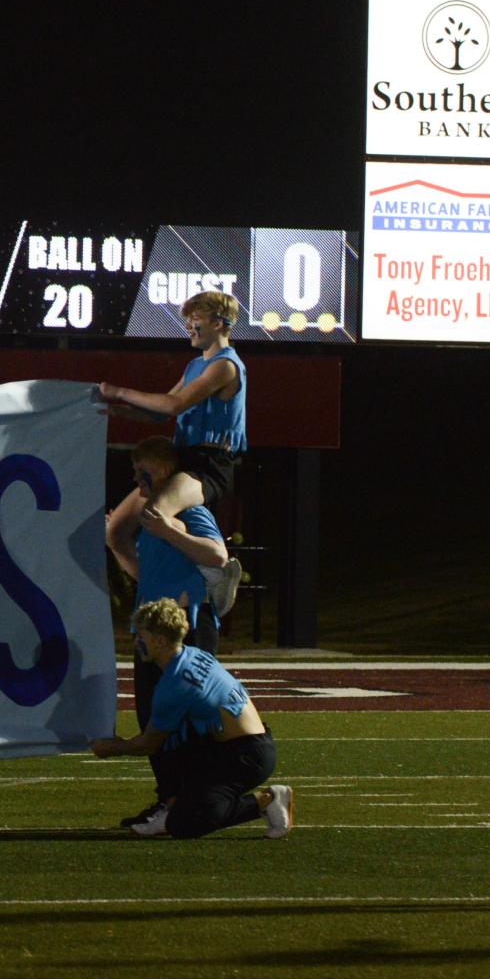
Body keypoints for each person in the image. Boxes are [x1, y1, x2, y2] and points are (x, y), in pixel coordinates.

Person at [90, 599, 292, 841]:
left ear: (160, 641)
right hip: (241, 744)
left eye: (141, 636)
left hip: (246, 757)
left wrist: (112, 747)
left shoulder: (173, 685)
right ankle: (173, 803)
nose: (136, 643)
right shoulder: (192, 654)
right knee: (173, 737)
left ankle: (265, 802)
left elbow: (146, 745)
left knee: (185, 824)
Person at [98, 290, 247, 615]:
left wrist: (120, 391)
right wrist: (122, 411)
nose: (188, 327)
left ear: (221, 323)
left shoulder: (225, 367)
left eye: (196, 320)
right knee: (115, 533)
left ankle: (215, 570)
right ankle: (165, 589)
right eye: (188, 320)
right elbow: (162, 413)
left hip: (209, 465)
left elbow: (176, 404)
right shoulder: (196, 364)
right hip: (182, 458)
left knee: (154, 516)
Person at [117, 438, 228, 837]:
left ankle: (186, 801)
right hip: (154, 630)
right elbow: (150, 575)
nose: (135, 477)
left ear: (162, 470)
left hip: (186, 629)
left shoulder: (189, 510)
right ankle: (172, 798)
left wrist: (169, 530)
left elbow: (217, 555)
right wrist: (115, 543)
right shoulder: (150, 521)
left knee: (179, 719)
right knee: (152, 715)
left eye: (141, 468)